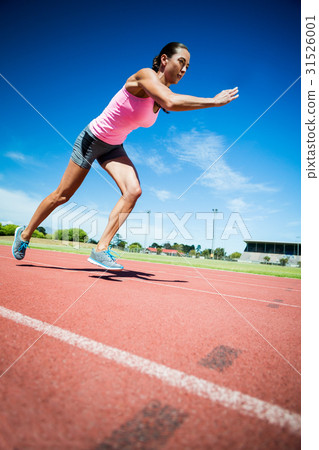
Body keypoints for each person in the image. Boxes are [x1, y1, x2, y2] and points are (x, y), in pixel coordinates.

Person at [12, 42, 239, 270]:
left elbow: (169, 99)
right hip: (92, 139)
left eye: (188, 67)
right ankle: (25, 233)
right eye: (181, 62)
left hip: (113, 147)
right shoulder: (144, 76)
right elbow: (171, 100)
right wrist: (214, 101)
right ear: (163, 60)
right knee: (62, 195)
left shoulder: (161, 97)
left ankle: (101, 249)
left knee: (133, 191)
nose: (184, 70)